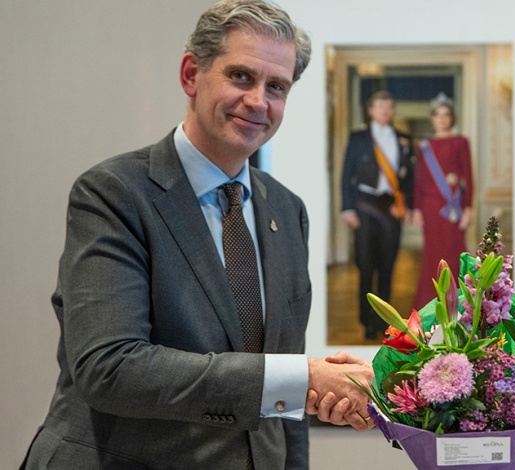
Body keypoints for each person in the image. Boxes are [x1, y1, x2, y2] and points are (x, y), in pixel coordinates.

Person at [21, 2, 373, 469]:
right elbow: (110, 367)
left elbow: (283, 396)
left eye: (277, 87)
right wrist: (302, 376)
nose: (258, 101)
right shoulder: (113, 193)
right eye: (241, 77)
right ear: (191, 74)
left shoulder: (288, 211)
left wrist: (301, 389)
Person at [340, 90, 415, 340]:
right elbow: (346, 173)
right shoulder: (358, 138)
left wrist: (406, 205)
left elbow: (410, 178)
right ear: (371, 110)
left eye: (389, 106)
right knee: (365, 266)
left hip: (391, 206)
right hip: (365, 205)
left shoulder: (403, 138)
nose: (385, 110)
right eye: (380, 105)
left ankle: (385, 321)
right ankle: (367, 322)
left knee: (387, 266)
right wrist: (348, 208)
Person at [412, 94, 473, 306]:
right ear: (432, 118)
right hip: (430, 207)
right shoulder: (424, 146)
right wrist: (416, 209)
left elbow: (468, 177)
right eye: (438, 115)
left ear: (452, 118)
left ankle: (457, 304)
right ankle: (430, 303)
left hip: (453, 208)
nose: (442, 119)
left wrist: (468, 209)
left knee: (454, 253)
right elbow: (419, 179)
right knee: (432, 256)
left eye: (446, 114)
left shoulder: (460, 142)